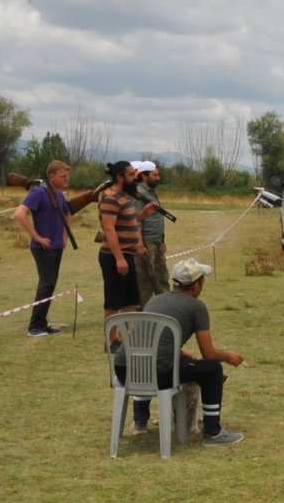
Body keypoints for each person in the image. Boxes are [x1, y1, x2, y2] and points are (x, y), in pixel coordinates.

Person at [114, 258, 245, 446]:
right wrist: (228, 356)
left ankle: (140, 421)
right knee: (213, 369)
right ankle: (213, 431)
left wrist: (180, 352)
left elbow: (152, 339)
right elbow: (209, 354)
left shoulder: (155, 299)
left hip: (123, 368)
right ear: (196, 285)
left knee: (145, 363)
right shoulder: (196, 306)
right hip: (158, 374)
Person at [13, 161, 74, 337]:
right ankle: (34, 326)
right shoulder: (39, 193)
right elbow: (19, 213)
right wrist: (37, 237)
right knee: (46, 284)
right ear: (52, 177)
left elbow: (68, 215)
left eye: (67, 175)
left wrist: (64, 237)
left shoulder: (59, 195)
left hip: (56, 247)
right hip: (43, 247)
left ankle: (42, 322)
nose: (66, 178)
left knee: (50, 284)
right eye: (63, 176)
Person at [99, 161, 147, 345]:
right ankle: (111, 342)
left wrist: (144, 215)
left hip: (128, 254)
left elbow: (130, 220)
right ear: (119, 177)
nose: (134, 177)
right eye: (130, 174)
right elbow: (109, 230)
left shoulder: (125, 197)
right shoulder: (110, 198)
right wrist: (119, 258)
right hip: (113, 257)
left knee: (130, 301)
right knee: (113, 302)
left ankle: (124, 338)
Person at [132, 160, 170, 307]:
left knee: (162, 275)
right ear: (143, 176)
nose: (158, 178)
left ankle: (166, 306)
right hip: (146, 241)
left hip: (156, 241)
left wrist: (162, 240)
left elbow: (157, 217)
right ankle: (143, 308)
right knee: (145, 278)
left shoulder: (151, 192)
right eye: (154, 175)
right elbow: (137, 221)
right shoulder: (138, 194)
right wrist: (140, 244)